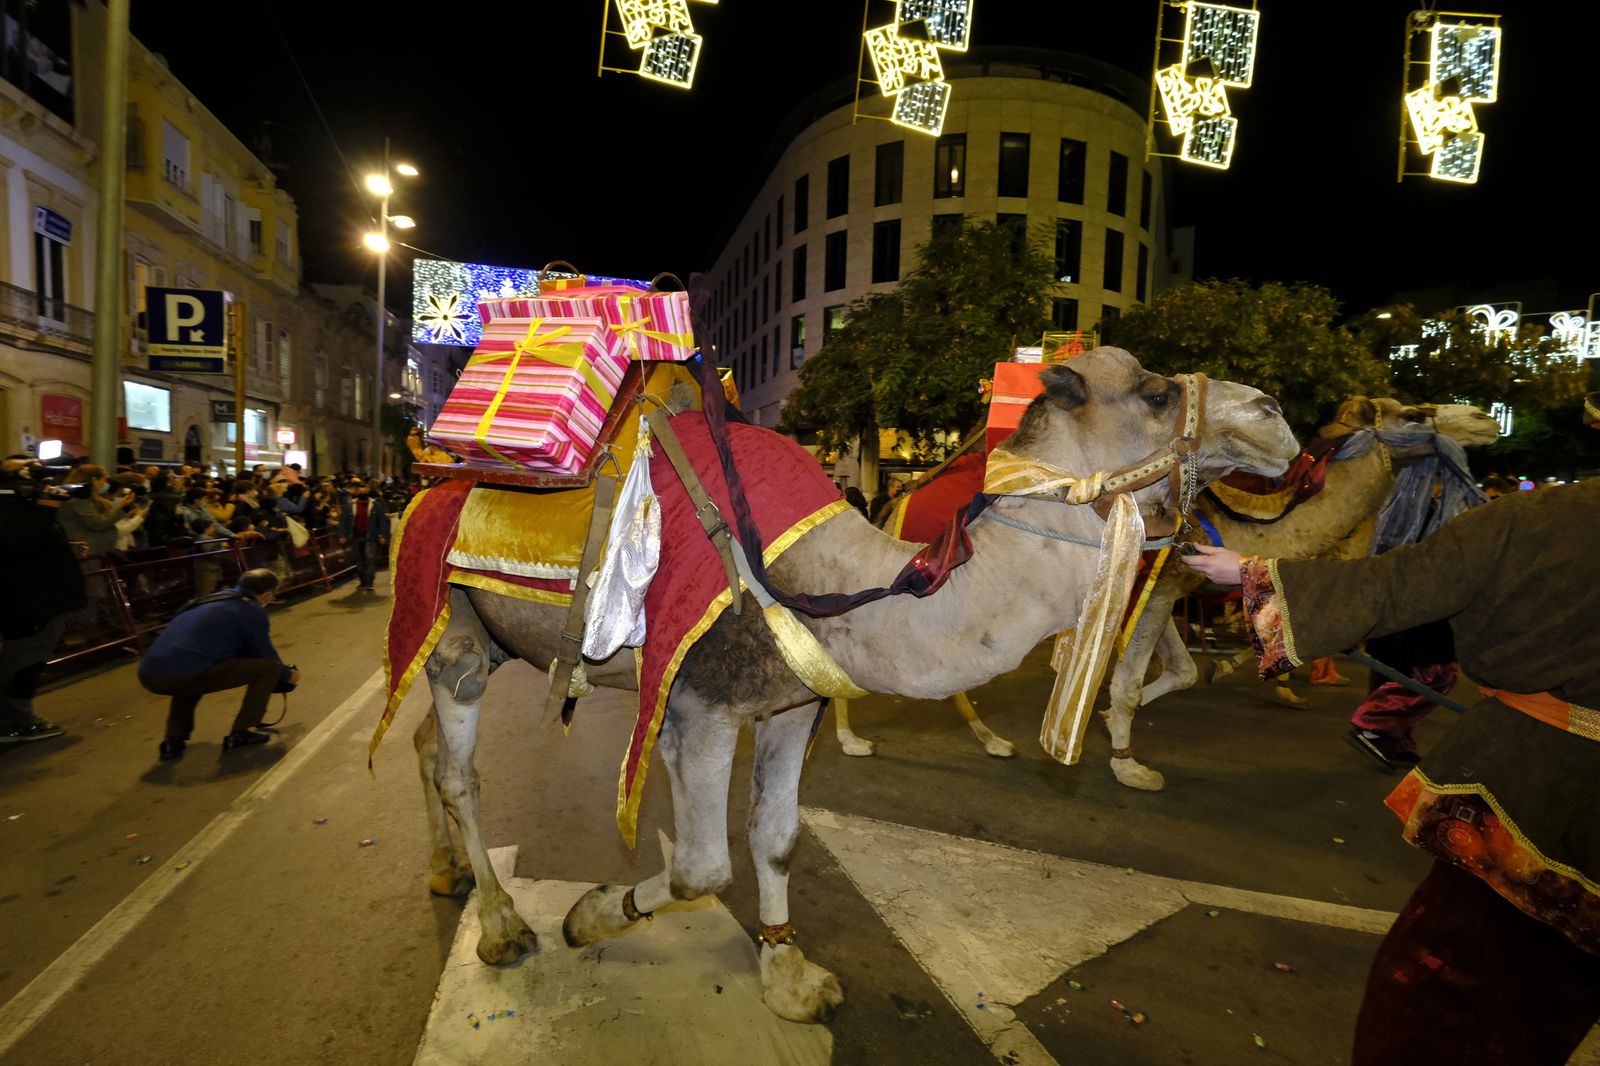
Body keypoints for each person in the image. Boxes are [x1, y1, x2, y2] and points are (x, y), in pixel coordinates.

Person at [1182, 477, 1600, 1065]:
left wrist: (1251, 573)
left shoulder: (1551, 517)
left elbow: (1400, 583)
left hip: (1539, 795)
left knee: (1449, 1003)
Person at [137, 569, 298, 761]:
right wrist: (288, 676)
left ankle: (172, 741)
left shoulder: (206, 601)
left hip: (149, 672)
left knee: (191, 674)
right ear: (267, 595)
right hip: (183, 673)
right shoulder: (250, 610)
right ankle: (242, 732)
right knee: (268, 669)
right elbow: (265, 655)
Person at [0, 458, 86, 743]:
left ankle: (15, 718)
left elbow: (30, 542)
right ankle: (14, 720)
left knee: (30, 659)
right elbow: (15, 544)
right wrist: (45, 508)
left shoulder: (24, 507)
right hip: (29, 601)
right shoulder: (11, 506)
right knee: (24, 660)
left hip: (40, 600)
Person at [336, 477, 389, 592]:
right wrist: (342, 535)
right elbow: (343, 521)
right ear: (357, 492)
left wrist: (383, 535)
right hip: (355, 537)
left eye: (365, 491)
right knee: (359, 560)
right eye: (361, 491)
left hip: (371, 537)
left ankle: (369, 582)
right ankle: (362, 581)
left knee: (370, 559)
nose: (363, 493)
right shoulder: (350, 506)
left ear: (368, 492)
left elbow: (382, 521)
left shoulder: (376, 505)